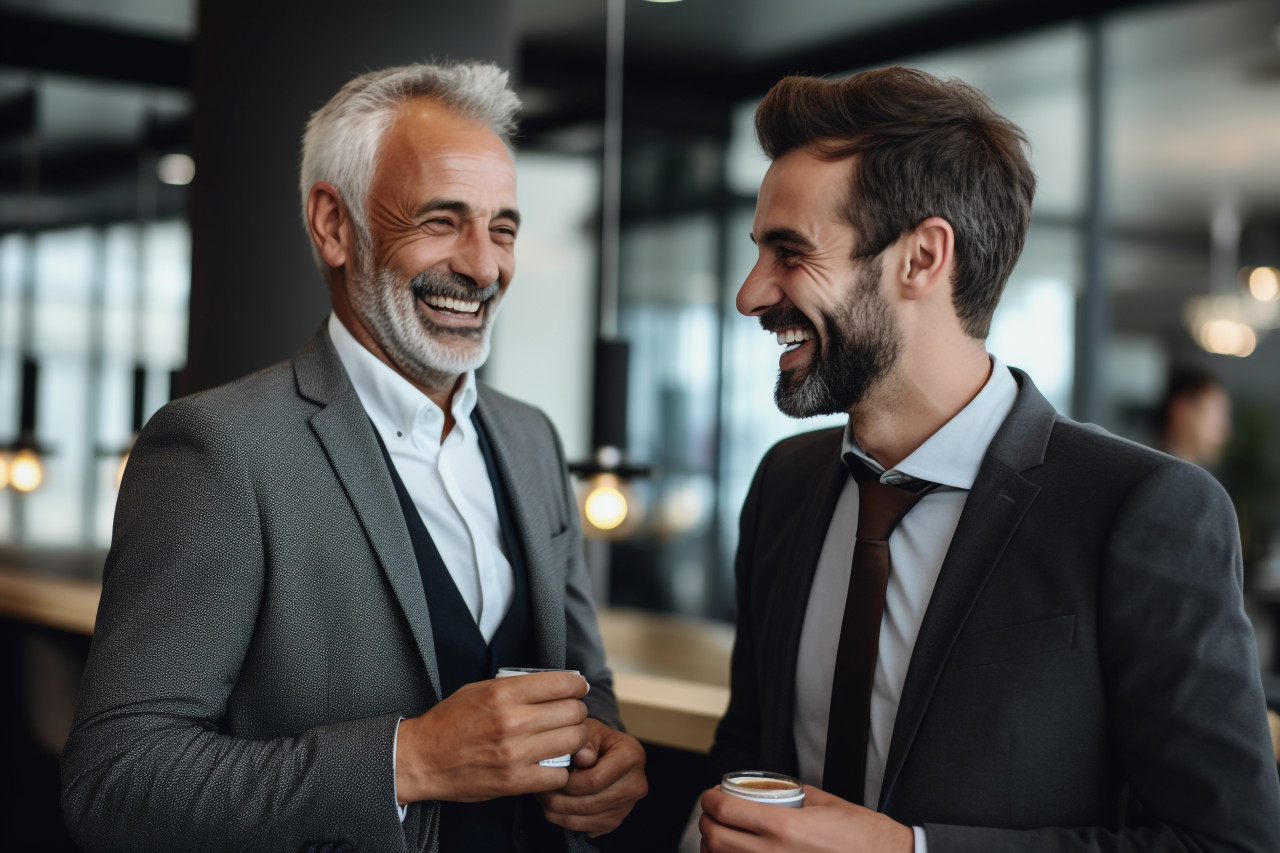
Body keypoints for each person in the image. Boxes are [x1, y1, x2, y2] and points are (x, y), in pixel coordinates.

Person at [61, 62, 646, 853]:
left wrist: (604, 748)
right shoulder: (217, 447)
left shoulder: (532, 439)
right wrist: (407, 761)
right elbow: (115, 779)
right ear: (334, 226)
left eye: (502, 228)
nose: (483, 266)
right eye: (443, 221)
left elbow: (584, 681)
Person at [695, 67, 1280, 852]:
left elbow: (1225, 842)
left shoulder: (1142, 508)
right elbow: (750, 758)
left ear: (923, 256)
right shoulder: (785, 483)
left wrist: (910, 851)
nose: (750, 293)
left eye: (789, 251)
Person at [1157, 364, 1233, 468]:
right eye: (1216, 419)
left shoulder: (1191, 477)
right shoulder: (1154, 473)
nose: (1224, 431)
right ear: (1181, 410)